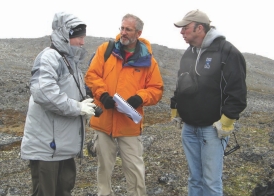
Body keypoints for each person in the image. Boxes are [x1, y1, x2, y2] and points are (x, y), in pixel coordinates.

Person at [85, 14, 164, 196]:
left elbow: (156, 89)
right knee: (103, 168)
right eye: (122, 28)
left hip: (129, 124)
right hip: (104, 121)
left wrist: (140, 98)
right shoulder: (106, 50)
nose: (123, 33)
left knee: (135, 170)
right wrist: (103, 94)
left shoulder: (148, 61)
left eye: (128, 29)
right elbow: (92, 75)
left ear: (138, 33)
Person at [170, 9, 247, 196]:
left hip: (212, 129)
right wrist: (176, 108)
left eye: (185, 28)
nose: (181, 32)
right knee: (194, 179)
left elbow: (237, 92)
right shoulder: (188, 53)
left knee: (211, 182)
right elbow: (182, 82)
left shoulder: (227, 52)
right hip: (189, 128)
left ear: (199, 28)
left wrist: (227, 121)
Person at [20, 12, 96, 196]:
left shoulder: (71, 62)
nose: (82, 42)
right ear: (65, 34)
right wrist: (78, 108)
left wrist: (83, 105)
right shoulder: (49, 57)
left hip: (63, 147)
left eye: (83, 37)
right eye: (79, 37)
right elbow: (43, 93)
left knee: (64, 190)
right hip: (47, 147)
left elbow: (67, 95)